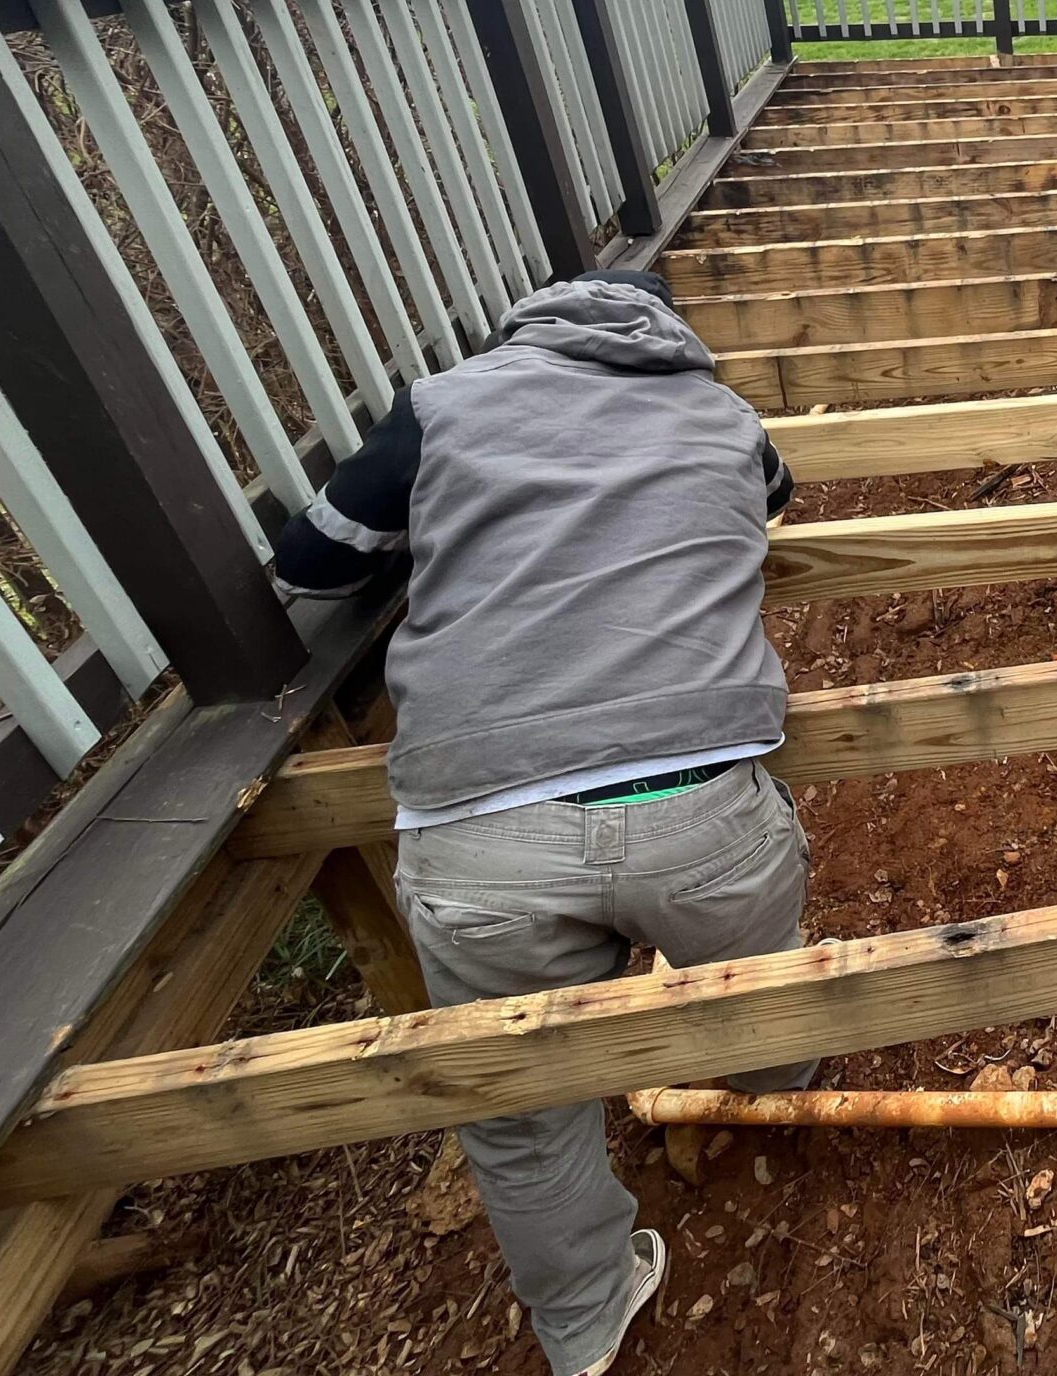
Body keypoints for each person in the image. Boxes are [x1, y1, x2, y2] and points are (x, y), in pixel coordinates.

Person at [273, 269, 808, 1376]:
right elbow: (769, 503)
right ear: (670, 334)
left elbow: (311, 563)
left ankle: (584, 1321)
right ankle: (771, 1081)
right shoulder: (722, 411)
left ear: (522, 329)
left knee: (518, 1110)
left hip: (485, 838)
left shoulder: (444, 405)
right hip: (702, 812)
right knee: (761, 990)